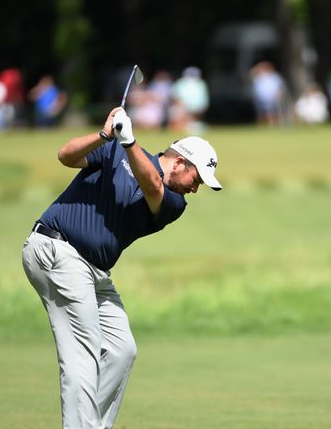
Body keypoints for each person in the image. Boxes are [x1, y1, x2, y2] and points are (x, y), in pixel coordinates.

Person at [22, 107, 222, 429]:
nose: (195, 188)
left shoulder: (173, 203)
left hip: (95, 272)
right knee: (82, 355)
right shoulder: (115, 148)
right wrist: (105, 136)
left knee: (121, 349)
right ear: (180, 162)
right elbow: (65, 156)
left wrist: (128, 141)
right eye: (196, 179)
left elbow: (153, 186)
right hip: (56, 250)